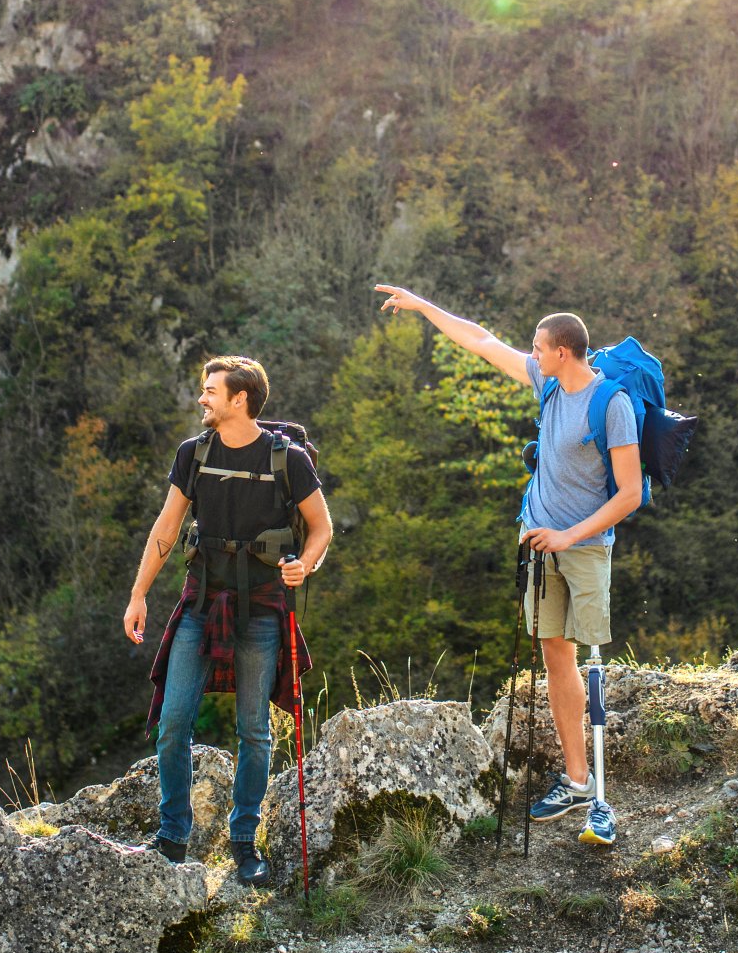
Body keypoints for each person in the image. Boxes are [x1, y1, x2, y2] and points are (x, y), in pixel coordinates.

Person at [372, 286, 640, 838]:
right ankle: (576, 780)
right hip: (539, 543)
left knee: (587, 659)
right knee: (553, 655)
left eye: (539, 348)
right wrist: (424, 306)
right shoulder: (546, 386)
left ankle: (599, 800)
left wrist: (569, 536)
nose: (532, 355)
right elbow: (481, 341)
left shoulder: (610, 403)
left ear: (562, 351)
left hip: (584, 548)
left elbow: (630, 494)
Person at [123, 356, 332, 884]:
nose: (202, 399)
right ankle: (172, 836)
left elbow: (321, 528)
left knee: (254, 732)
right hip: (200, 603)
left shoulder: (288, 459)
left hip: (262, 608)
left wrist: (303, 567)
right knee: (173, 723)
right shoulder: (193, 455)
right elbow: (165, 530)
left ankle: (245, 843)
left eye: (210, 391)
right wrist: (139, 594)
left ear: (240, 399)